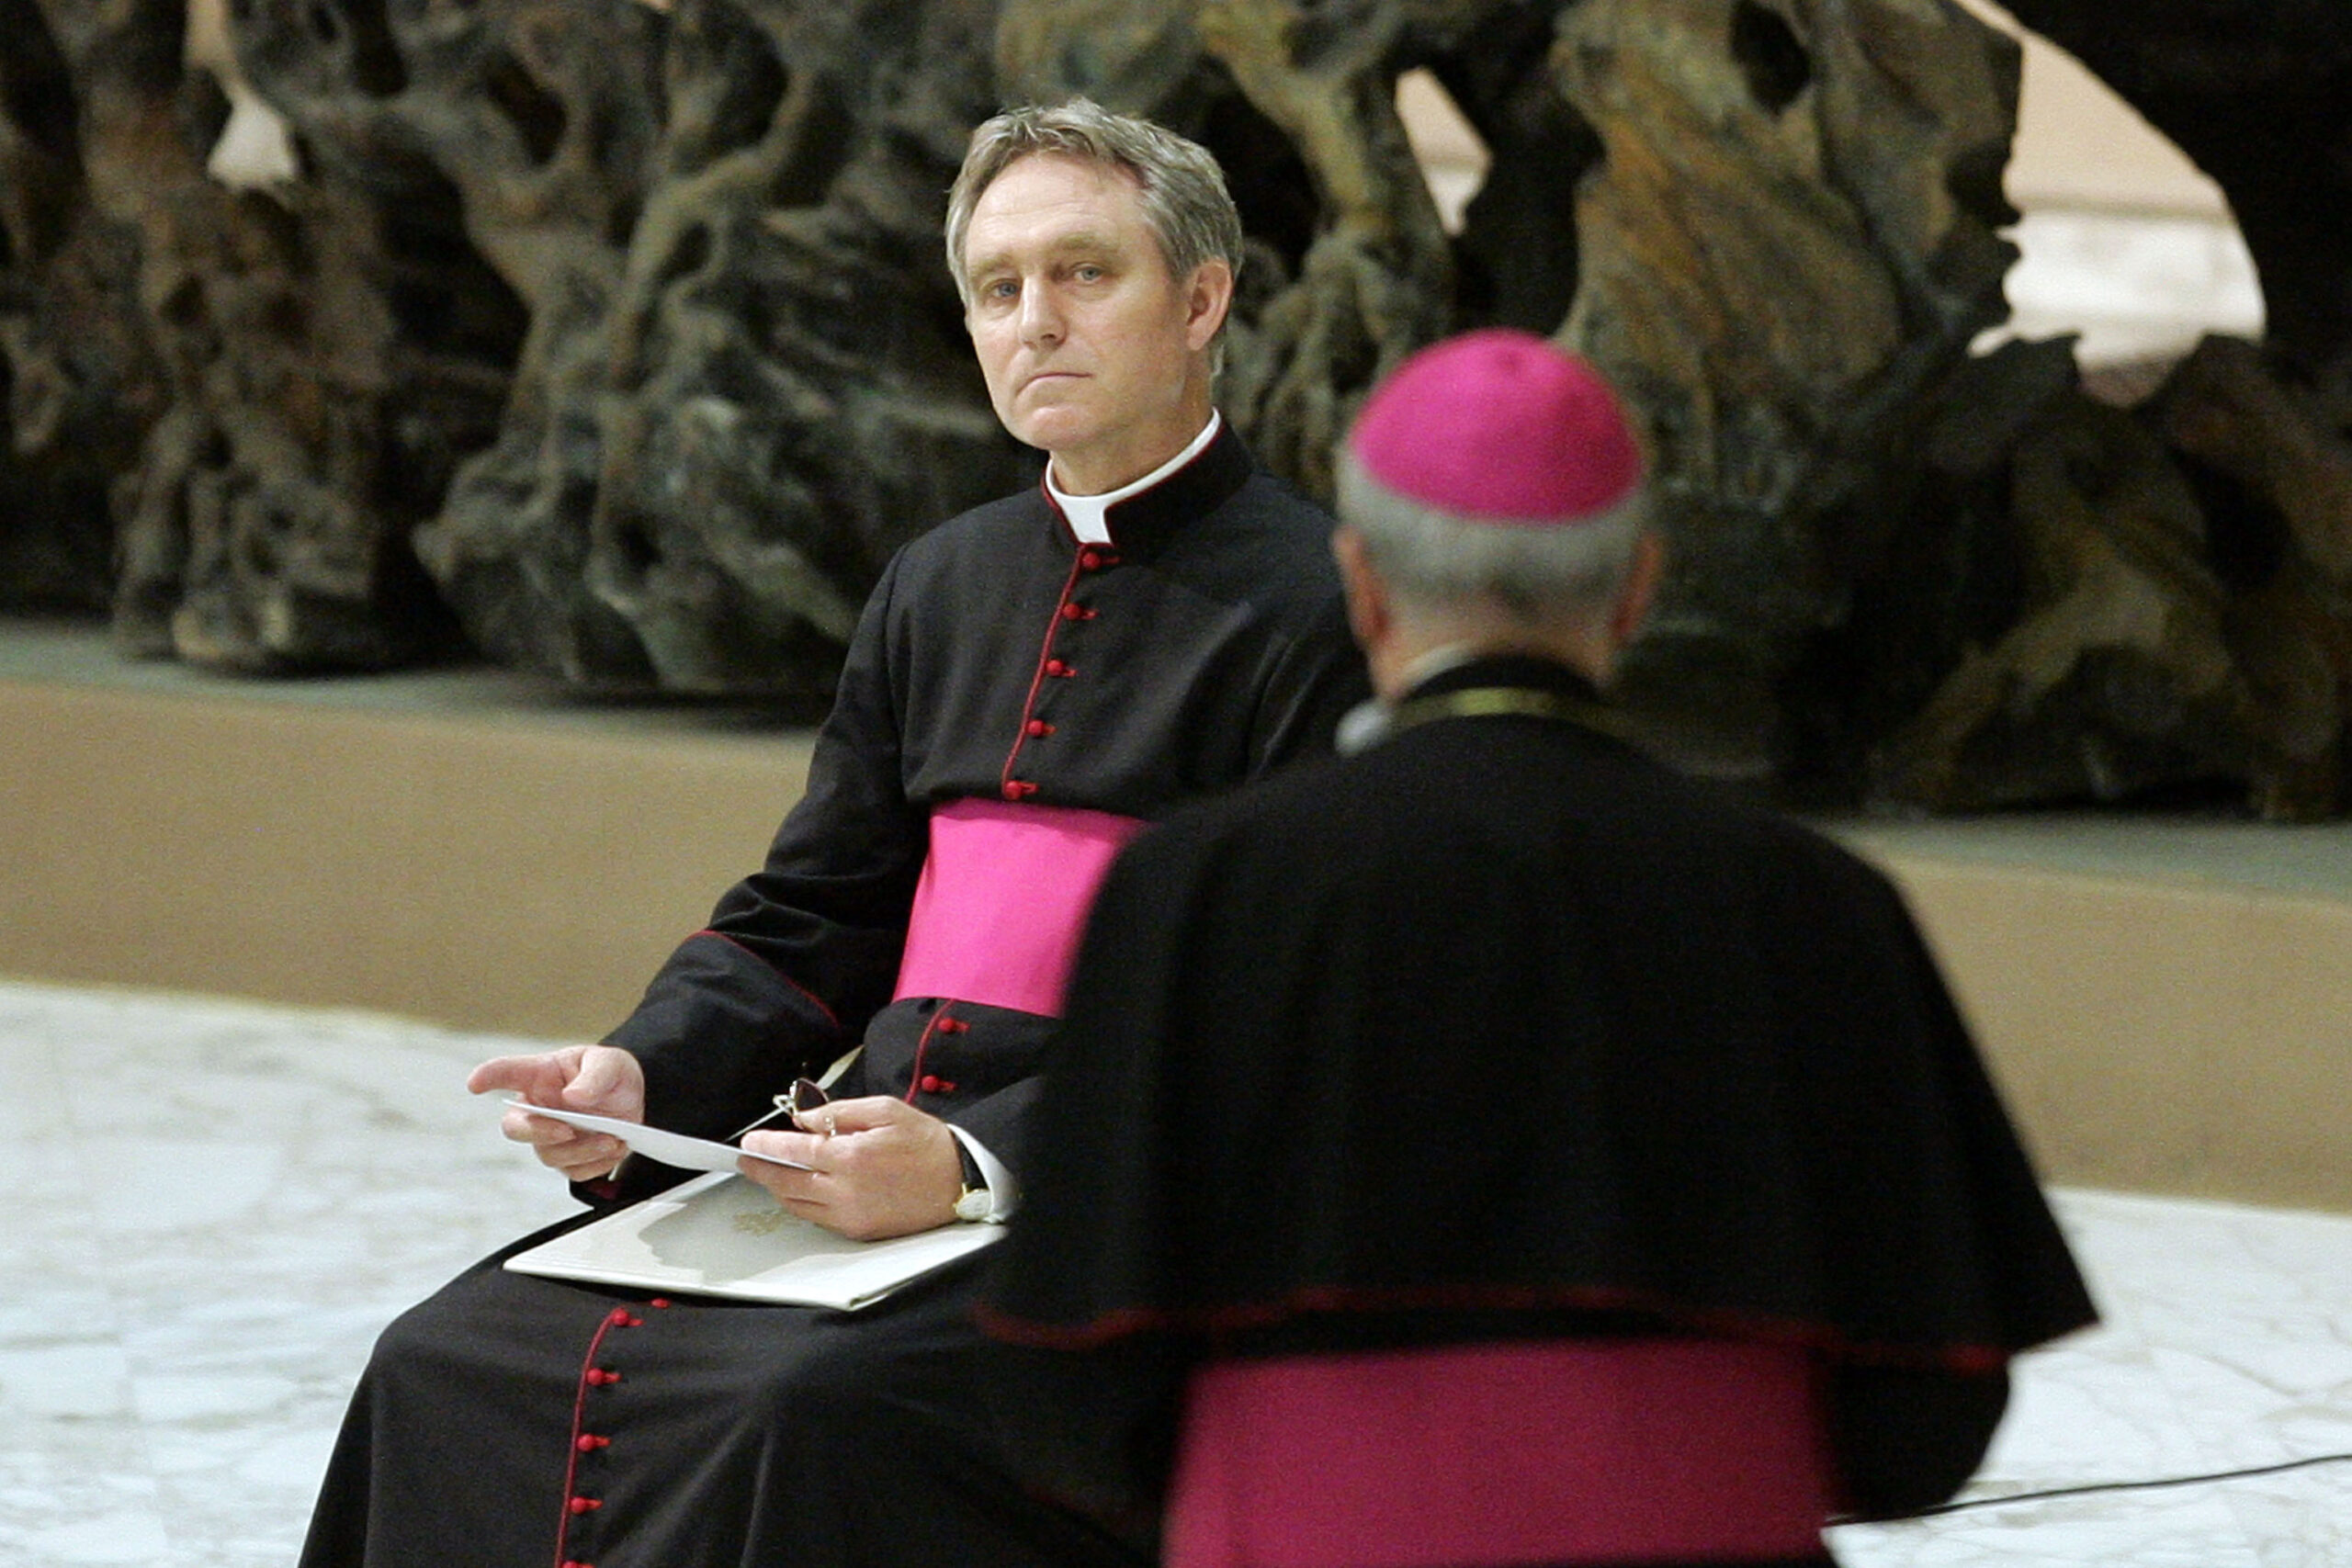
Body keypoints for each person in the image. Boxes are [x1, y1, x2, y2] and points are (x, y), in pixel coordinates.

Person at [299, 100, 1368, 1568]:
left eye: (1082, 275)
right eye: (998, 288)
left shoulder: (1321, 606)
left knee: (802, 1407)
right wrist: (639, 1073)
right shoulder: (939, 583)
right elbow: (813, 918)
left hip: (1124, 1216)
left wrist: (980, 1161)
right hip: (856, 1173)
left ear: (1202, 299)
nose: (1033, 322)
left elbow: (1291, 1028)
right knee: (444, 1359)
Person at [978, 329, 2099, 1568]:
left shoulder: (1196, 892)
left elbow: (1070, 1404)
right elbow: (1925, 1414)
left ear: (1362, 589)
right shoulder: (1817, 903)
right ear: (1638, 590)